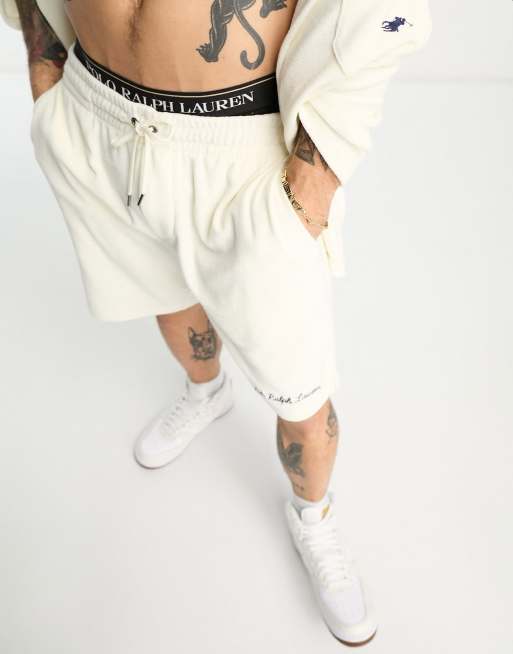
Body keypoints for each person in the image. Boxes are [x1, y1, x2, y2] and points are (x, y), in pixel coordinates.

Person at [2, 0, 431, 646]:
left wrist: (310, 186)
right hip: (95, 117)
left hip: (236, 151)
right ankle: (207, 392)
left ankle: (313, 516)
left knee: (299, 385)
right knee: (164, 295)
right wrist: (44, 66)